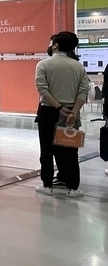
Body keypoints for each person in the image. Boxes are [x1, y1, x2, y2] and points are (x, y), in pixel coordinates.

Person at [35, 32, 89, 197]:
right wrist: (74, 111)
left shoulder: (43, 64)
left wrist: (58, 107)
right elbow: (83, 90)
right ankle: (73, 188)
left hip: (49, 111)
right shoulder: (78, 66)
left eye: (51, 43)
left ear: (56, 45)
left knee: (46, 150)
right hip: (71, 113)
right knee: (70, 150)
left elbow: (42, 89)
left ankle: (47, 185)